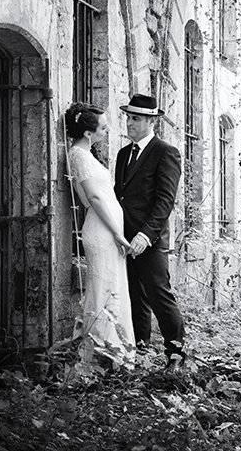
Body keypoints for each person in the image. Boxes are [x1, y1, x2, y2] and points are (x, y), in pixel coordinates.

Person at [114, 94, 186, 370]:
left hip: (150, 241)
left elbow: (165, 201)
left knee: (159, 294)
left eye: (135, 118)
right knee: (134, 296)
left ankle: (176, 355)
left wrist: (146, 235)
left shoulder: (165, 152)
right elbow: (120, 196)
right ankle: (140, 350)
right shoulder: (124, 154)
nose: (129, 123)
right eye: (128, 117)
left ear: (151, 121)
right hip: (125, 239)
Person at [64, 102, 135, 361]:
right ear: (87, 133)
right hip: (103, 230)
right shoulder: (79, 156)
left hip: (107, 228)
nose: (107, 131)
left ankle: (115, 352)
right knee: (104, 289)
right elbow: (91, 197)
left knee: (112, 287)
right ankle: (98, 356)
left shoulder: (87, 154)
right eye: (103, 127)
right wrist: (117, 232)